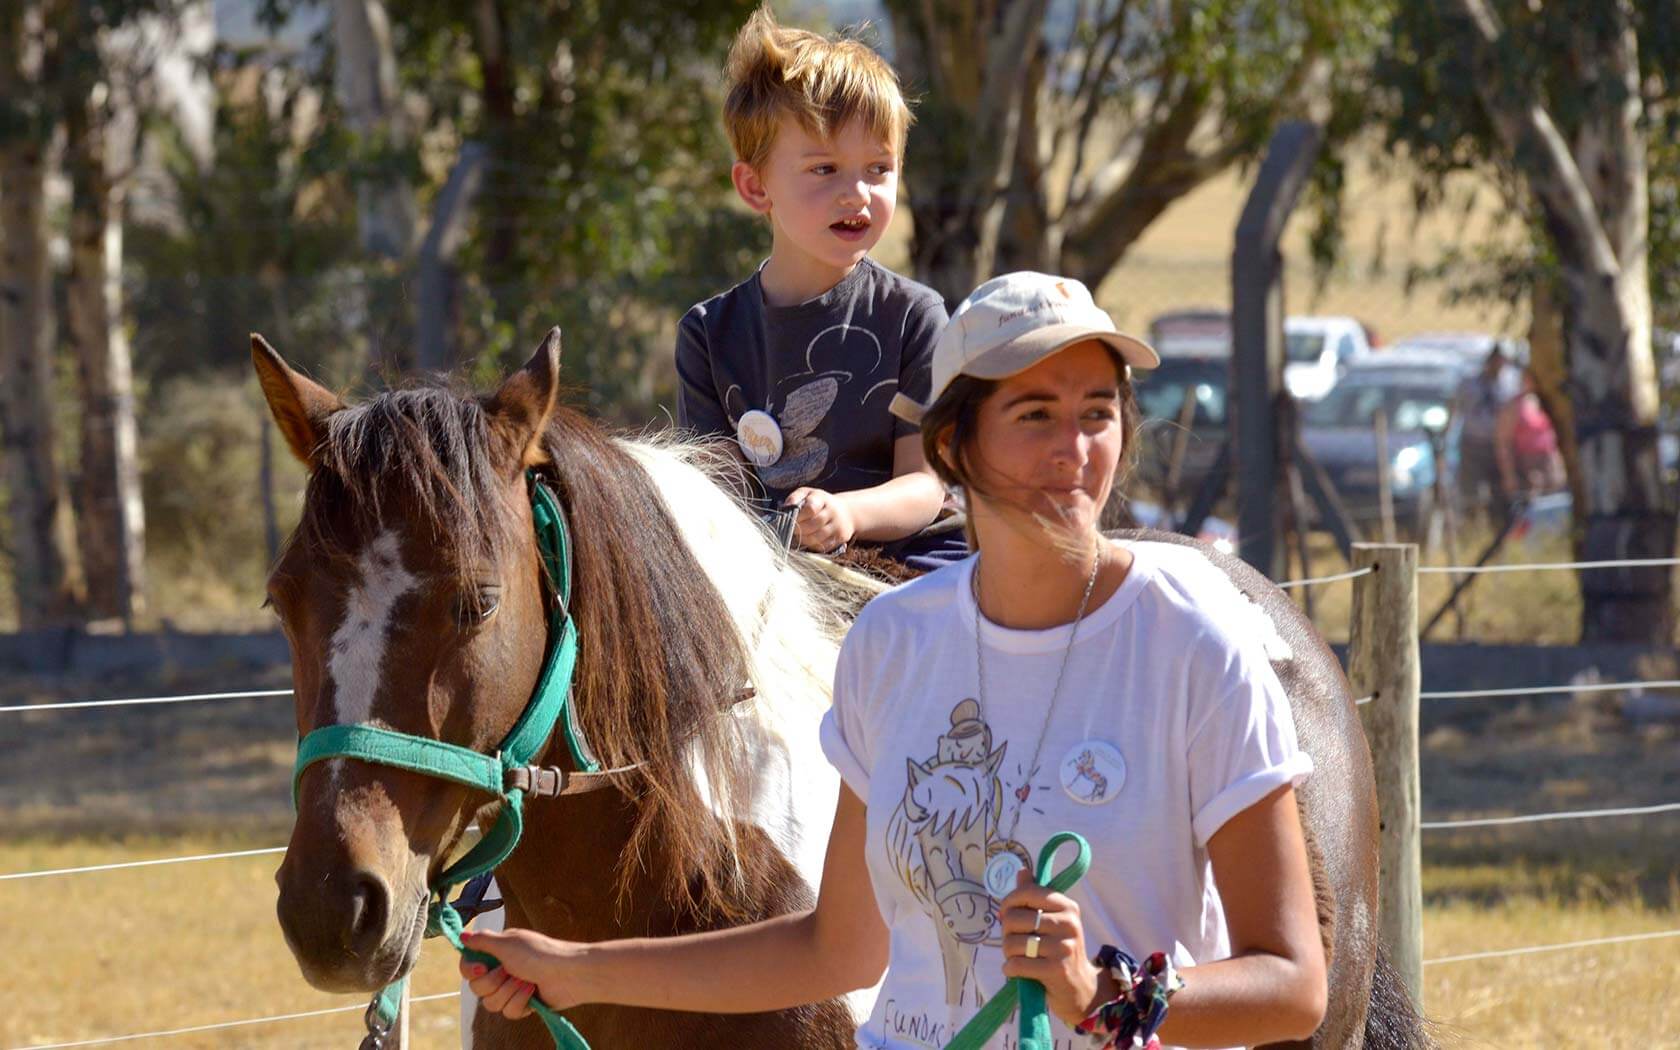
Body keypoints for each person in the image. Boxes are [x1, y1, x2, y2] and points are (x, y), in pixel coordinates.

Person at [461, 272, 1328, 1050]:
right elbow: (834, 947)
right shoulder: (893, 642)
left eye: (1098, 411)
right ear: (955, 445)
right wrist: (577, 969)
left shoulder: (1194, 642)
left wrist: (1098, 997)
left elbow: (1292, 986)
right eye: (1035, 415)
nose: (1076, 448)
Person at [674, 6, 960, 568]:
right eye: (824, 169)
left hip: (907, 561)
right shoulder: (709, 334)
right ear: (756, 187)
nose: (857, 193)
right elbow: (711, 501)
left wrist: (847, 514)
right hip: (769, 573)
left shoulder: (915, 317)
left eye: (878, 168)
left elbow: (925, 488)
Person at [1453, 344, 1522, 519]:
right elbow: (1457, 408)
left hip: (1501, 446)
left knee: (1500, 494)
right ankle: (1472, 528)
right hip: (1473, 444)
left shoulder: (1511, 383)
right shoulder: (1469, 384)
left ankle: (1499, 527)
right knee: (1471, 493)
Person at [1496, 368, 1564, 497]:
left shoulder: (1544, 402)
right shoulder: (1514, 406)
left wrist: (1558, 463)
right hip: (1527, 464)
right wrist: (1509, 475)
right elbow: (1504, 442)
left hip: (1548, 461)